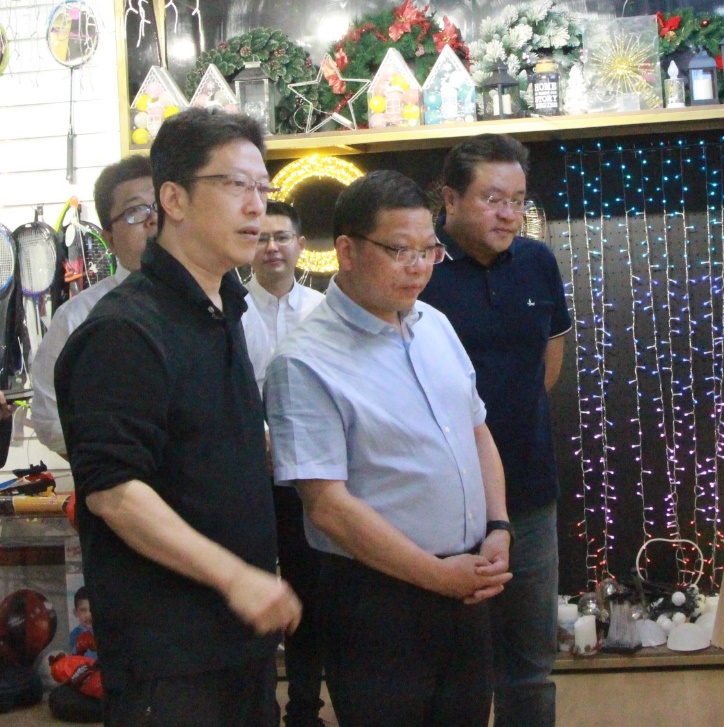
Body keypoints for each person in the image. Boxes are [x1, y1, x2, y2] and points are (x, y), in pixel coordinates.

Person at [55, 108, 301, 727]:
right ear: (174, 199)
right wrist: (235, 577)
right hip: (170, 656)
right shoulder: (125, 330)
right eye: (236, 185)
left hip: (240, 640)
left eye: (263, 187)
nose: (256, 206)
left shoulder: (226, 307)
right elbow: (114, 492)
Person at [265, 169, 513, 727]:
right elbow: (327, 506)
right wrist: (436, 575)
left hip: (468, 582)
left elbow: (476, 430)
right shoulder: (304, 360)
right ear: (347, 251)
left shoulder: (435, 325)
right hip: (377, 599)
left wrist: (498, 526)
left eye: (429, 251)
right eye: (400, 251)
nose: (419, 267)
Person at [419, 134, 571, 727]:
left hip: (529, 490)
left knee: (530, 665)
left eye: (517, 200)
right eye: (492, 199)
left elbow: (548, 359)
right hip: (438, 499)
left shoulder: (536, 262)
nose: (508, 214)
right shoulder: (419, 268)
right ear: (450, 198)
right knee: (449, 667)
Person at [32, 155, 271, 458]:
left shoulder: (230, 300)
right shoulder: (78, 318)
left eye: (159, 206)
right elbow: (50, 419)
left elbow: (258, 386)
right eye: (134, 211)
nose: (152, 219)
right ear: (109, 240)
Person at [246, 200, 325, 727]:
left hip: (308, 482)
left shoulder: (325, 309)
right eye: (261, 237)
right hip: (246, 478)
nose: (272, 247)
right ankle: (255, 708)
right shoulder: (227, 308)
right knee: (249, 594)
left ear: (300, 245)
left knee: (307, 596)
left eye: (282, 237)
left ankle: (304, 709)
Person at [68, 586, 96, 659]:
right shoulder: (74, 635)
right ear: (75, 612)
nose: (88, 615)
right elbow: (73, 659)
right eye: (83, 610)